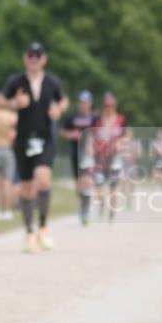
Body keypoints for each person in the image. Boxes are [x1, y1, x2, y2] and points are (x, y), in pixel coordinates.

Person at [0, 42, 68, 252]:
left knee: (43, 178)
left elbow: (63, 100)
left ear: (44, 59)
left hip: (45, 138)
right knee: (26, 187)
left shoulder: (52, 81)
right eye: (31, 55)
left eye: (38, 55)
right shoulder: (16, 81)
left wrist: (59, 110)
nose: (34, 58)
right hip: (23, 139)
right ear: (25, 58)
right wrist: (14, 104)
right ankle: (29, 232)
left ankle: (44, 227)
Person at [59, 90, 98, 226]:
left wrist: (91, 141)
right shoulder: (72, 117)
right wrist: (71, 134)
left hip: (89, 153)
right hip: (75, 151)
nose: (83, 105)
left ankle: (85, 210)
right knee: (78, 184)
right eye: (81, 102)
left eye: (86, 102)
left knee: (86, 180)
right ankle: (83, 202)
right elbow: (62, 131)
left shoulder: (95, 118)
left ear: (90, 103)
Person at [92, 93, 128, 221]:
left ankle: (112, 214)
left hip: (115, 157)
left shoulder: (121, 120)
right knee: (99, 185)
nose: (109, 108)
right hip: (100, 158)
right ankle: (101, 203)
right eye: (106, 106)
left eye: (111, 106)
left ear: (115, 106)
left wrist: (121, 144)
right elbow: (92, 136)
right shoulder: (97, 120)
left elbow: (126, 135)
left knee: (113, 186)